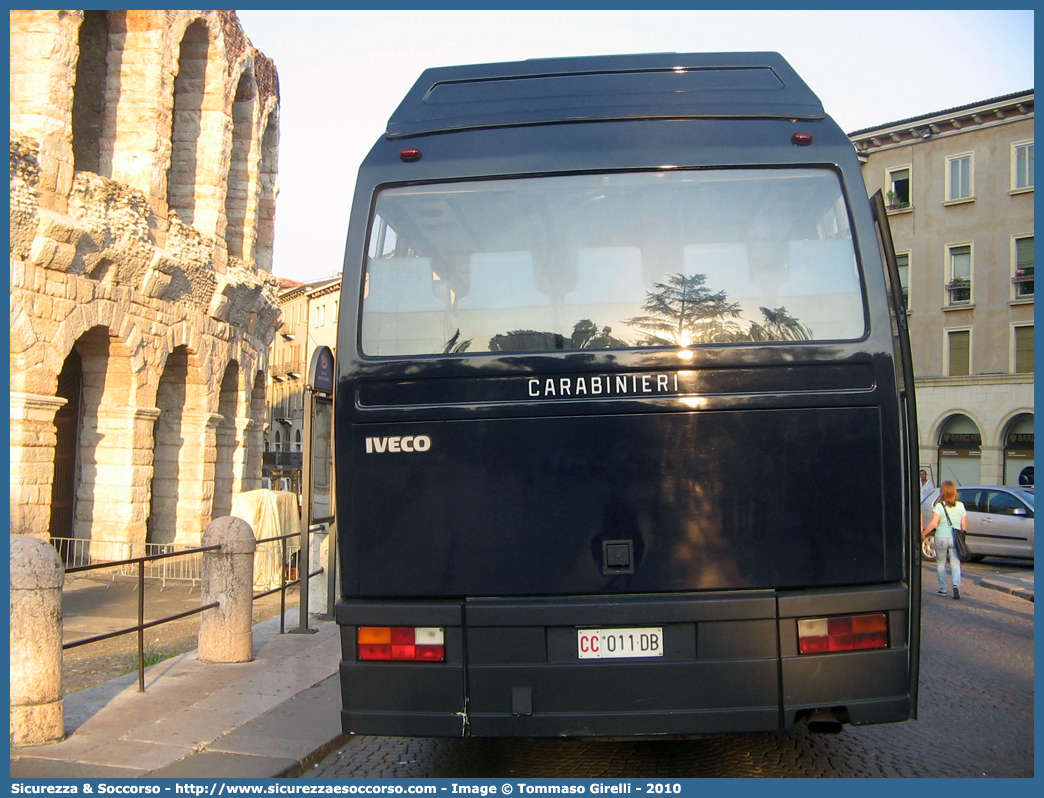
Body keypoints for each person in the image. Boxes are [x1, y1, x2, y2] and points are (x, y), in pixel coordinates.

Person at [921, 480, 967, 600]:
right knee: (955, 563)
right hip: (954, 538)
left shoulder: (939, 506)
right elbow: (964, 525)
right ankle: (956, 586)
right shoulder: (960, 505)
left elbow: (934, 524)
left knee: (941, 563)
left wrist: (924, 533)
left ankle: (943, 589)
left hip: (941, 537)